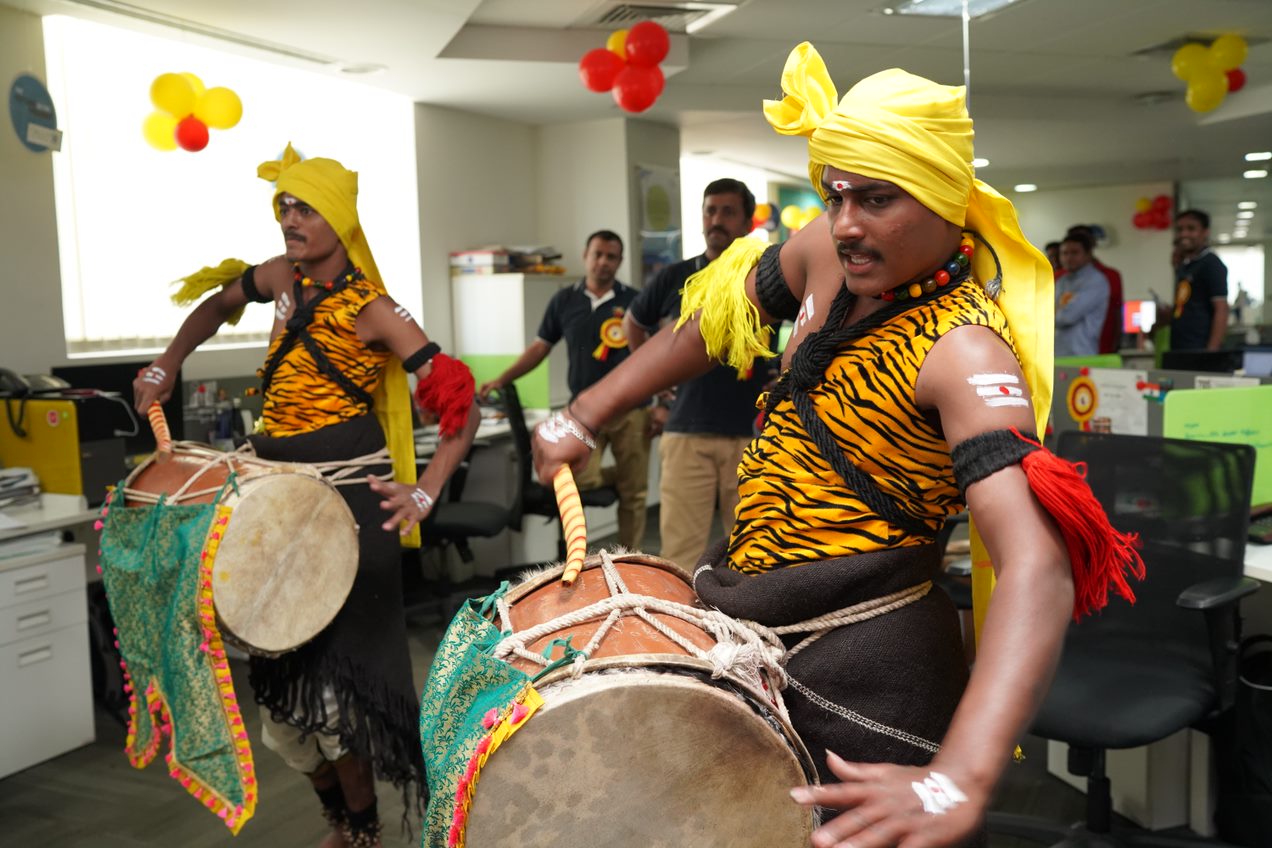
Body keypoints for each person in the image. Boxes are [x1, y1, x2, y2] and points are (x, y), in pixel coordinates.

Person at [532, 43, 1141, 848]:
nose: (846, 224)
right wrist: (586, 413)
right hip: (750, 625)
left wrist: (960, 776)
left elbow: (1037, 564)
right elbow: (710, 326)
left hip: (872, 667)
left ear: (944, 199)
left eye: (877, 199)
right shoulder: (824, 248)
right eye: (835, 193)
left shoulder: (965, 352)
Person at [133, 144, 480, 848]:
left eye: (305, 207)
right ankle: (342, 818)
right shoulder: (276, 280)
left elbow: (459, 403)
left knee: (336, 696)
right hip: (273, 501)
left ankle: (364, 829)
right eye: (283, 206)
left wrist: (427, 491)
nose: (290, 218)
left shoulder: (375, 309)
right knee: (283, 705)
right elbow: (214, 304)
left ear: (338, 220)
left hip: (350, 507)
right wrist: (167, 363)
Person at [624, 178, 775, 569]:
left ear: (746, 222)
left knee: (752, 555)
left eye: (727, 212)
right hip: (686, 432)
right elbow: (633, 324)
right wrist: (658, 386)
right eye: (710, 210)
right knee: (679, 558)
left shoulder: (764, 278)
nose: (716, 220)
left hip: (752, 434)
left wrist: (784, 372)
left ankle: (745, 630)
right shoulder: (675, 277)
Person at [478, 230, 650, 549]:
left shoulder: (635, 301)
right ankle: (579, 556)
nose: (603, 262)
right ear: (586, 256)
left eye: (611, 257)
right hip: (583, 416)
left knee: (634, 495)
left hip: (632, 411)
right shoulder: (564, 300)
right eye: (598, 254)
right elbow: (539, 348)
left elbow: (653, 355)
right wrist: (502, 379)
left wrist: (662, 401)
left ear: (620, 262)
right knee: (580, 481)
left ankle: (631, 560)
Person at [1170, 209, 1229, 350]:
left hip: (1199, 347)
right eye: (1180, 229)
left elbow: (1221, 309)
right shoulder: (1186, 265)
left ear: (1205, 232)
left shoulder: (1211, 264)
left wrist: (1211, 351)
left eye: (1191, 229)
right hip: (1180, 346)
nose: (1184, 234)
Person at [1064, 225, 1124, 354]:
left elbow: (1117, 310)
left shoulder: (1110, 276)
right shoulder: (1059, 278)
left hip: (1099, 345)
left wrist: (1117, 343)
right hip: (1063, 348)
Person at [1054, 231, 1111, 357]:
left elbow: (1066, 317)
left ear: (1088, 255)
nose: (1068, 258)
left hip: (1082, 355)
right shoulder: (1061, 281)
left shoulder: (1096, 281)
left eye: (1074, 253)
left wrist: (1049, 315)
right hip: (1057, 354)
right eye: (1064, 253)